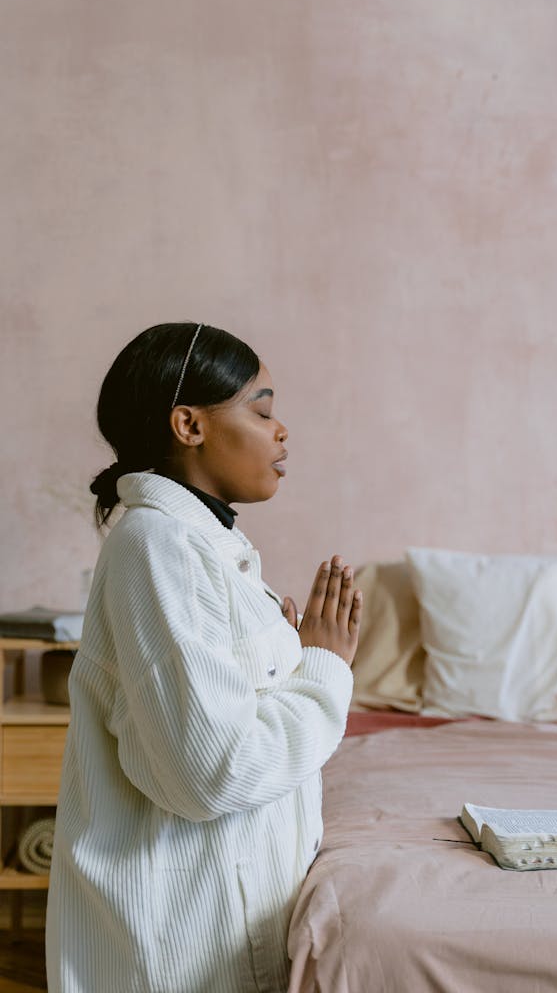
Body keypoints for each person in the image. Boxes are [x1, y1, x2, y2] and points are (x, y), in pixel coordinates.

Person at [45, 322, 363, 993]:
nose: (282, 432)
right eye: (264, 409)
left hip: (217, 941)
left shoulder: (203, 549)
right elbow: (212, 774)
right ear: (188, 424)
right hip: (178, 952)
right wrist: (325, 668)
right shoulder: (159, 548)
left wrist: (288, 653)